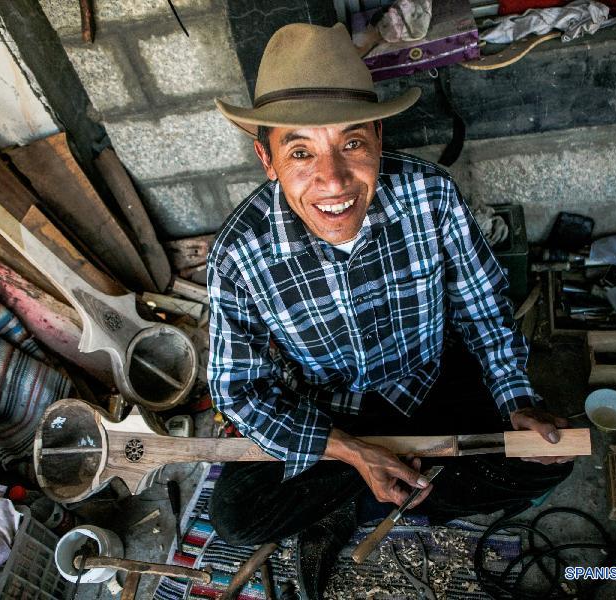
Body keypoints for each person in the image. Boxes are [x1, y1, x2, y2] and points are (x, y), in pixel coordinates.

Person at [207, 22, 573, 598]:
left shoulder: (431, 194)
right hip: (332, 413)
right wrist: (352, 452)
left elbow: (484, 311)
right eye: (300, 151)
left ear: (378, 136)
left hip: (429, 380)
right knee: (236, 512)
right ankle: (391, 485)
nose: (332, 180)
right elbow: (239, 392)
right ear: (267, 158)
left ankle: (384, 493)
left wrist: (516, 400)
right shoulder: (239, 252)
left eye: (352, 143)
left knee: (548, 457)